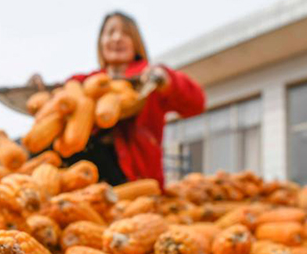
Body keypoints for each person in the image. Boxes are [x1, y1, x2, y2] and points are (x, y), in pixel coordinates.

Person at [65, 11, 205, 187]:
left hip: (136, 178)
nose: (116, 38)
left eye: (125, 33)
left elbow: (196, 103)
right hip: (87, 175)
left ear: (136, 43)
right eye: (110, 32)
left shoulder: (149, 80)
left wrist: (166, 79)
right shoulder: (83, 83)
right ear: (100, 42)